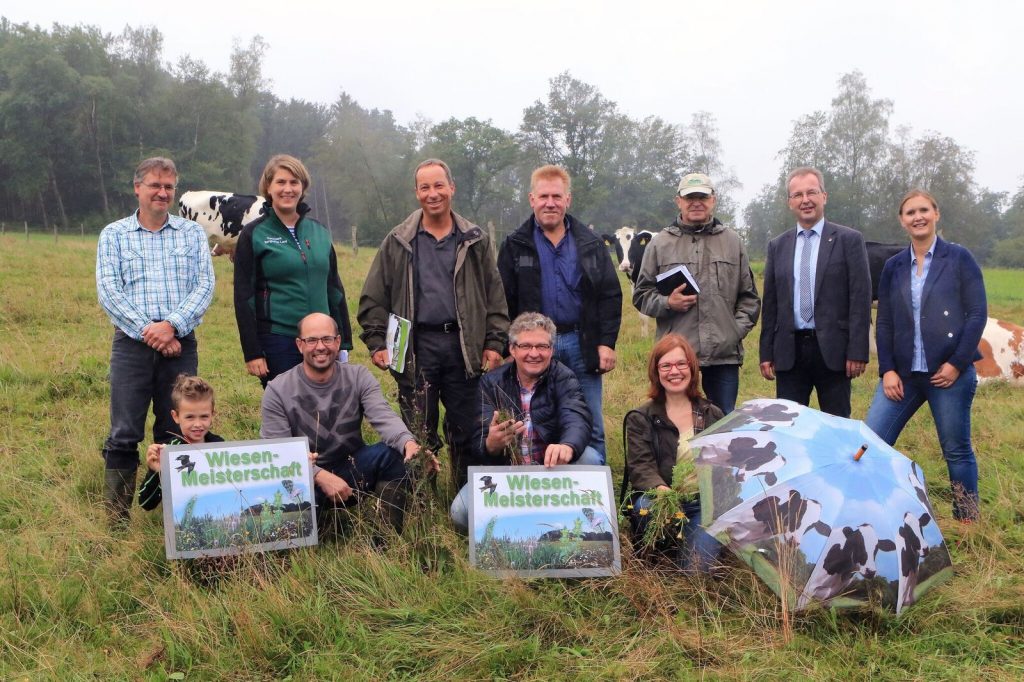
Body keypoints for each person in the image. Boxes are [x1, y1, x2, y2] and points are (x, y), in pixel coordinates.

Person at [357, 158, 509, 490]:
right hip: (415, 348)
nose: (433, 193)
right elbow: (372, 296)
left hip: (462, 347)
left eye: (439, 185)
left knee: (466, 429)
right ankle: (421, 502)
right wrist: (377, 342)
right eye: (425, 187)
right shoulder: (399, 240)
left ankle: (464, 500)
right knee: (418, 429)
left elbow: (494, 295)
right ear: (416, 193)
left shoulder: (474, 240)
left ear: (452, 188)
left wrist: (494, 343)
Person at [96, 157, 215, 526]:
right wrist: (152, 331)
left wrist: (173, 326)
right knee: (123, 433)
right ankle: (116, 522)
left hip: (181, 345)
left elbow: (205, 286)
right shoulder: (113, 234)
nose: (162, 192)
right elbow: (109, 292)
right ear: (137, 188)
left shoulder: (192, 234)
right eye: (154, 185)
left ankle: (177, 519)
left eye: (169, 187)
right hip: (131, 346)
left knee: (175, 429)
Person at [866, 190, 987, 521]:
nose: (917, 217)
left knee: (956, 449)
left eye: (923, 210)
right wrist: (887, 370)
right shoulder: (894, 266)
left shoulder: (959, 259)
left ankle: (967, 520)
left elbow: (977, 314)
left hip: (948, 375)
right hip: (903, 375)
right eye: (910, 212)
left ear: (936, 214)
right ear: (902, 220)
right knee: (868, 443)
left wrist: (956, 364)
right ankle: (873, 515)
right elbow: (886, 321)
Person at [497, 165, 621, 460]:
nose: (549, 203)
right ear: (531, 199)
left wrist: (606, 342)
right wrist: (505, 347)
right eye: (543, 196)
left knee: (591, 421)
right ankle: (537, 481)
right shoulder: (516, 244)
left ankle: (594, 488)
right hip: (534, 348)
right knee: (533, 416)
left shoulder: (590, 244)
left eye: (556, 196)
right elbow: (502, 300)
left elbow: (610, 294)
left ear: (568, 199)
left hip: (581, 342)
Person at [261, 313, 424, 531]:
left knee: (394, 454)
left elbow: (383, 416)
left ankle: (386, 535)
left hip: (352, 468)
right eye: (312, 340)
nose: (320, 347)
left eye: (327, 339)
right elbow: (277, 453)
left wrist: (409, 444)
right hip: (304, 478)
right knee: (285, 491)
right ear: (299, 345)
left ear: (338, 342)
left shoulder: (358, 377)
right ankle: (306, 539)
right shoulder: (277, 390)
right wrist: (318, 475)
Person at [449, 312, 604, 531]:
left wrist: (567, 446)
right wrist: (490, 444)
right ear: (512, 349)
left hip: (552, 473)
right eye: (525, 346)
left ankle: (573, 528)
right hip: (508, 478)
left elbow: (577, 417)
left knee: (589, 458)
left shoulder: (564, 377)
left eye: (542, 346)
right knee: (460, 511)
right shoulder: (491, 383)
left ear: (551, 349)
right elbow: (478, 437)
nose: (534, 354)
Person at [632, 172, 760, 414]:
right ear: (678, 201)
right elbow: (641, 295)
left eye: (702, 196)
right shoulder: (659, 243)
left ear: (713, 199)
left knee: (721, 426)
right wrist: (667, 302)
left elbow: (749, 298)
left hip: (723, 357)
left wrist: (733, 332)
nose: (696, 202)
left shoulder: (733, 242)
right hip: (675, 359)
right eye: (690, 197)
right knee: (674, 423)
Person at [759, 166, 872, 418]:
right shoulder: (778, 246)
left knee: (837, 426)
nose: (805, 200)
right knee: (788, 426)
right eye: (797, 195)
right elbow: (771, 304)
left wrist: (857, 351)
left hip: (834, 352)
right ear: (790, 202)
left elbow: (860, 299)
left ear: (824, 196)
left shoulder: (849, 240)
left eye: (811, 192)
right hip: (790, 352)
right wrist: (766, 352)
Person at [234, 154, 353, 388]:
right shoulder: (254, 234)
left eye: (294, 182)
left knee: (327, 409)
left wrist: (344, 343)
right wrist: (253, 351)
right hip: (279, 340)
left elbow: (334, 290)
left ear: (303, 187)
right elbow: (243, 296)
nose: (287, 189)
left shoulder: (319, 232)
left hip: (322, 342)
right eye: (281, 182)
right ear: (268, 187)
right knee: (288, 412)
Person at [623, 334, 724, 571]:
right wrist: (662, 491)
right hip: (659, 498)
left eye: (681, 364)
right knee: (644, 506)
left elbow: (724, 466)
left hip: (701, 504)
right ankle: (658, 548)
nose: (674, 371)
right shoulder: (640, 417)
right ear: (656, 372)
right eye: (666, 365)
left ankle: (692, 544)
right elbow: (640, 466)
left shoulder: (712, 414)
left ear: (692, 367)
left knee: (696, 572)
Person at [138, 376, 224, 511]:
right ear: (175, 416)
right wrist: (159, 472)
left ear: (212, 414)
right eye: (189, 417)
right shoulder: (169, 452)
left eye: (204, 416)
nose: (197, 424)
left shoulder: (220, 445)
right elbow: (145, 503)